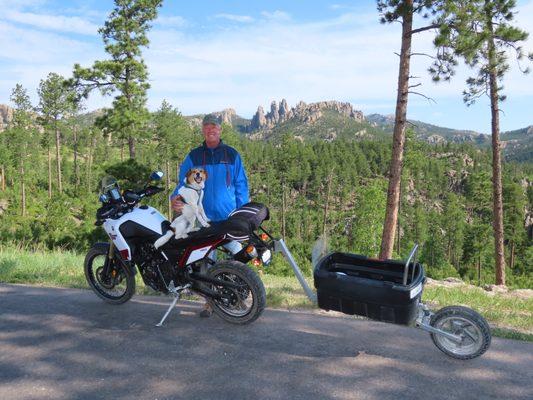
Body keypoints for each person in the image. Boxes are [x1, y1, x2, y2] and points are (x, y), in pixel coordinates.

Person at [170, 113, 250, 317]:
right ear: (203, 130)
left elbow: (241, 186)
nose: (210, 130)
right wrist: (175, 197)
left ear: (220, 130)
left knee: (238, 257)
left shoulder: (232, 155)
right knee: (204, 261)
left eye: (214, 127)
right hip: (203, 221)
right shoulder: (194, 156)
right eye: (207, 127)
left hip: (229, 219)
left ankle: (240, 298)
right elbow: (182, 183)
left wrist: (244, 215)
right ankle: (210, 303)